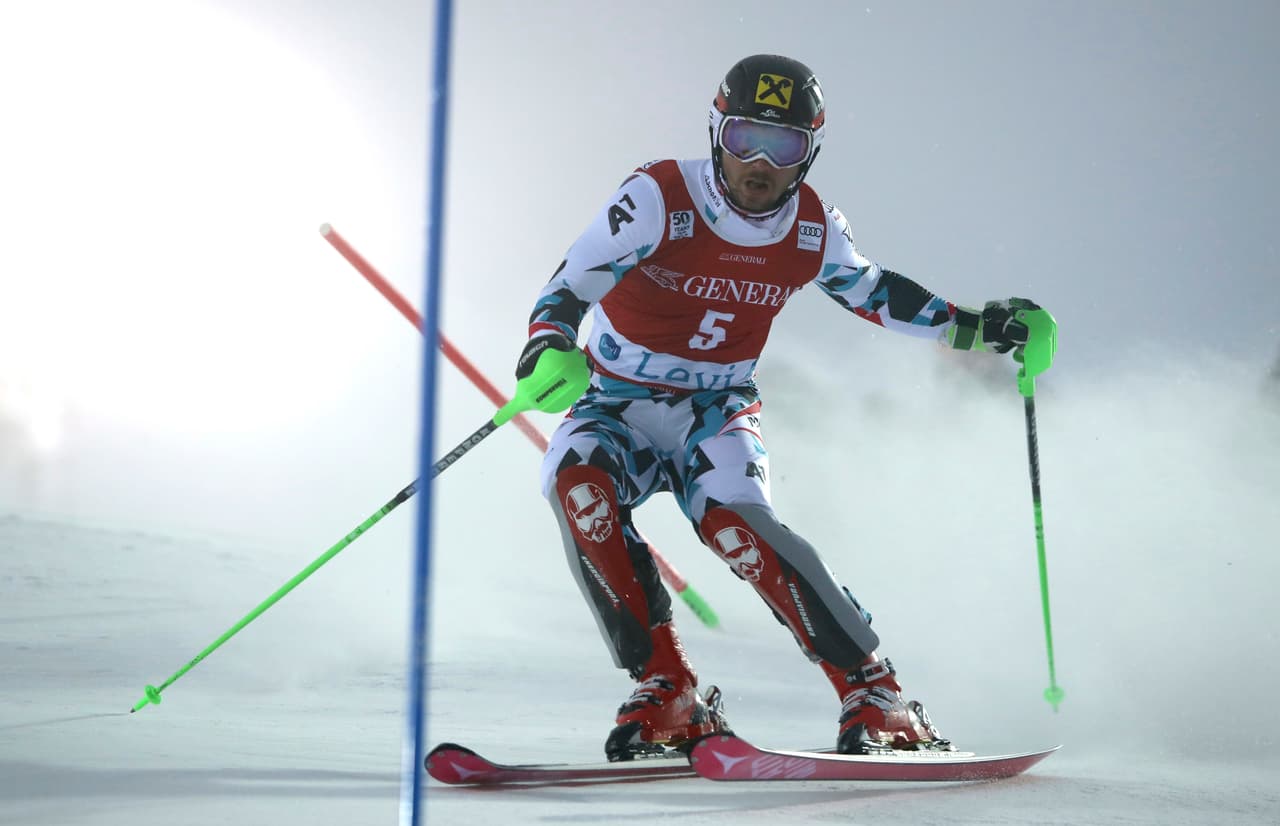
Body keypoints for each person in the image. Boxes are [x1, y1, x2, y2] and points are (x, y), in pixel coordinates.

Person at [512, 54, 1053, 760]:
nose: (760, 164)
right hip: (616, 402)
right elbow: (569, 283)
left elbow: (872, 292)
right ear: (716, 133)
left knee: (737, 527)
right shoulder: (660, 195)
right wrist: (547, 343)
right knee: (576, 485)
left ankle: (873, 691)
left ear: (811, 152)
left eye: (785, 145)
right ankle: (666, 687)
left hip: (716, 409)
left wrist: (977, 325)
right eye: (745, 140)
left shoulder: (810, 226)